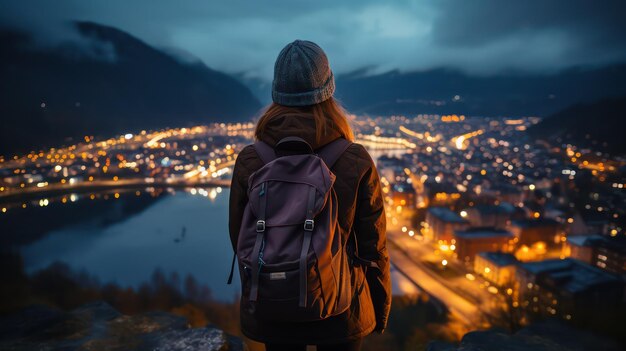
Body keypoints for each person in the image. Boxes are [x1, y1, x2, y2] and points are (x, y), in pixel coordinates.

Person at [228, 40, 391, 351]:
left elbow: (240, 238)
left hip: (275, 307)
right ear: (328, 89)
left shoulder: (252, 160)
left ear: (276, 92)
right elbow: (374, 248)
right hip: (342, 310)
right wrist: (379, 309)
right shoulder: (354, 159)